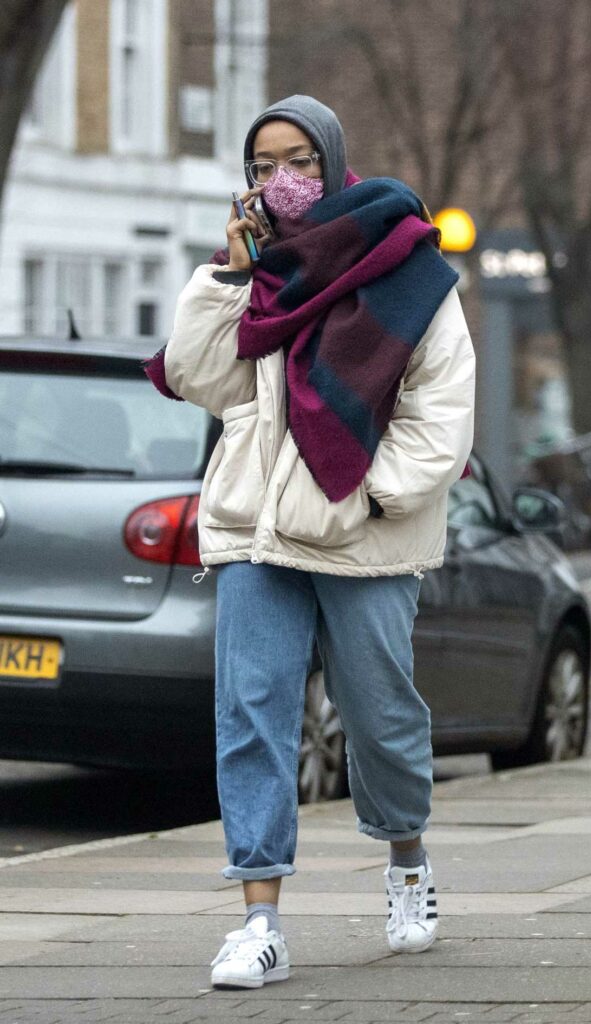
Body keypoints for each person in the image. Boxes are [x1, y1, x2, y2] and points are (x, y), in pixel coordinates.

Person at [145, 94, 475, 990]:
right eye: (262, 165)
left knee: (379, 717)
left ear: (332, 161)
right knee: (250, 715)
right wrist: (229, 274)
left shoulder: (406, 269)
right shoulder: (259, 275)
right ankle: (259, 921)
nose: (281, 180)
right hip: (256, 529)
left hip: (359, 531)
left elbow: (438, 415)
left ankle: (406, 858)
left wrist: (363, 494)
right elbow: (198, 377)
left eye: (298, 161)